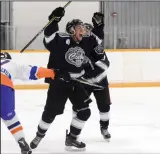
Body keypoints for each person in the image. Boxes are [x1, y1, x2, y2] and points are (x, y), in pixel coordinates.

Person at [30, 7, 105, 151]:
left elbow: (98, 41)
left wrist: (99, 26)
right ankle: (39, 135)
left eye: (83, 28)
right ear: (71, 30)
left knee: (84, 111)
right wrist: (54, 19)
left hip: (76, 83)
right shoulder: (60, 40)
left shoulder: (86, 41)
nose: (82, 30)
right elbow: (49, 36)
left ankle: (72, 138)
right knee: (50, 113)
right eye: (79, 28)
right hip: (59, 83)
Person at [1, 52, 68, 154]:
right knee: (9, 117)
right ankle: (21, 141)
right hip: (4, 85)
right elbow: (34, 71)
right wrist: (53, 73)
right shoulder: (13, 64)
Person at [70, 12, 112, 141]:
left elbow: (105, 64)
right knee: (79, 108)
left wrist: (89, 68)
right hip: (83, 83)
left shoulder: (95, 44)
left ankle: (104, 128)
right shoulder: (71, 46)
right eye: (82, 29)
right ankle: (74, 133)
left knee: (105, 107)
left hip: (100, 81)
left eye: (87, 29)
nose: (85, 31)